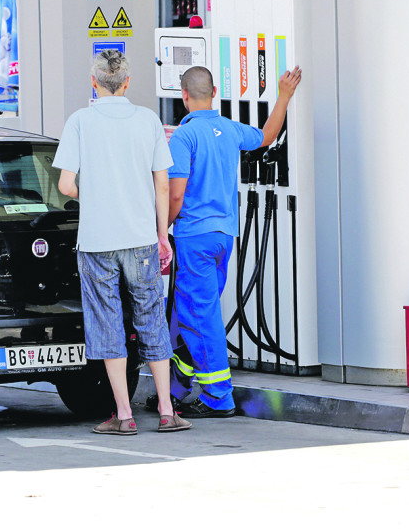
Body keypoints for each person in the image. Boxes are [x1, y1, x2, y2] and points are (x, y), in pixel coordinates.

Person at [54, 49, 191, 435]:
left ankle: (124, 415)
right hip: (141, 237)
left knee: (107, 322)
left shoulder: (80, 121)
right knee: (151, 318)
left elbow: (66, 185)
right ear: (127, 82)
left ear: (93, 83)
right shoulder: (148, 120)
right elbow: (162, 183)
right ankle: (167, 410)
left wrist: (94, 194)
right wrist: (161, 234)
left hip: (97, 241)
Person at [153, 64, 302, 418]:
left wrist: (162, 231)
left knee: (200, 317)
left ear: (184, 96)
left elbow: (175, 196)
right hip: (223, 237)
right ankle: (175, 388)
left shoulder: (184, 137)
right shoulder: (230, 129)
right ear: (215, 92)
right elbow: (267, 135)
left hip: (194, 236)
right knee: (181, 314)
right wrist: (283, 95)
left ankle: (219, 397)